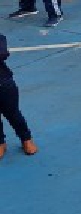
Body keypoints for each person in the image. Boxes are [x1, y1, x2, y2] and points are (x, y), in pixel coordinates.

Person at [0, 32, 37, 160]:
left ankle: (26, 138)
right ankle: (0, 142)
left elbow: (2, 53)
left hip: (3, 84)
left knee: (13, 113)